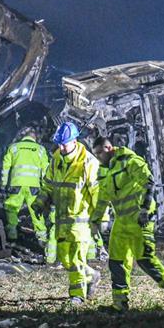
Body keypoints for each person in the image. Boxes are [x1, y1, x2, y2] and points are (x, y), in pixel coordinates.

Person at [92, 135, 164, 312]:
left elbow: (149, 182)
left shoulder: (130, 160)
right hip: (121, 220)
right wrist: (95, 218)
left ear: (109, 148)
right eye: (96, 154)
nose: (98, 156)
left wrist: (145, 209)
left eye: (100, 152)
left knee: (144, 259)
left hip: (139, 219)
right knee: (116, 261)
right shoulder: (103, 170)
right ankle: (120, 304)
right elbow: (103, 197)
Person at [32, 122, 100, 304]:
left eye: (64, 143)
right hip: (62, 220)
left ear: (75, 141)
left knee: (76, 258)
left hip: (81, 222)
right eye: (59, 143)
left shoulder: (88, 162)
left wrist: (101, 217)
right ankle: (92, 275)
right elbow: (48, 184)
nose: (61, 147)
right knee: (65, 258)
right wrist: (39, 203)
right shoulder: (56, 159)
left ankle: (77, 295)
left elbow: (97, 193)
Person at [0, 126, 51, 254]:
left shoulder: (14, 148)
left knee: (11, 207)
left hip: (16, 184)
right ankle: (42, 237)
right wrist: (45, 187)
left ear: (23, 136)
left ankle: (12, 233)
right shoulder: (40, 150)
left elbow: (5, 168)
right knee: (36, 211)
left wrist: (3, 184)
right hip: (34, 186)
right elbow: (45, 170)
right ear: (34, 138)